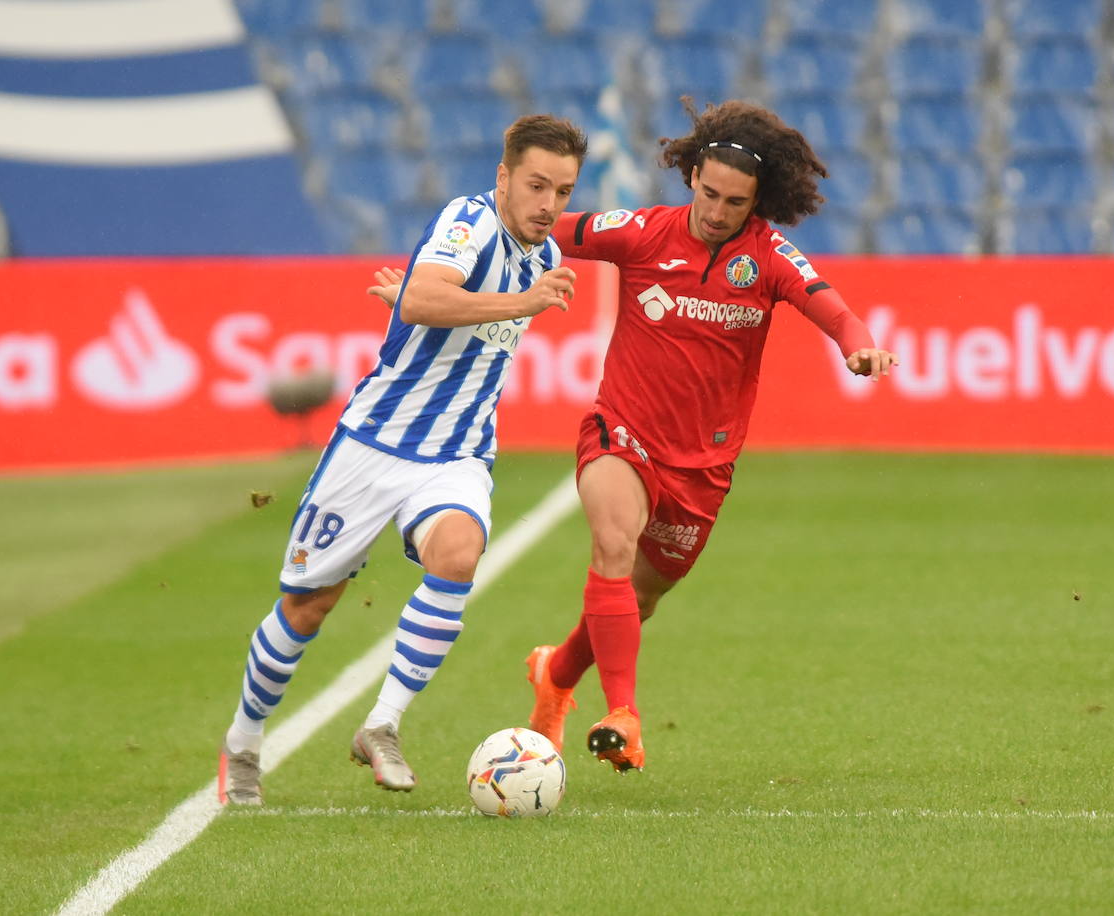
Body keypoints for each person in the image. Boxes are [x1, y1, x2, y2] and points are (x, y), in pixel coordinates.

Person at [216, 114, 588, 805]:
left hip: (458, 451)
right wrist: (448, 299)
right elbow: (426, 298)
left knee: (459, 553)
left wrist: (414, 301)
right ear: (504, 178)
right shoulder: (469, 221)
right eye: (537, 185)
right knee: (308, 606)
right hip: (375, 443)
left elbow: (434, 309)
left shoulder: (544, 259)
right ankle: (242, 741)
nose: (549, 205)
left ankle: (381, 724)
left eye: (563, 192)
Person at [522, 98, 897, 773]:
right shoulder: (640, 232)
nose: (718, 211)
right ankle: (623, 715)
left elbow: (838, 313)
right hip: (622, 429)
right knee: (612, 543)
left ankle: (556, 674)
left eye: (736, 202)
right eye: (710, 192)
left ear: (760, 200)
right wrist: (473, 244)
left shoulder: (770, 258)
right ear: (691, 175)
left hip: (703, 467)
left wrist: (860, 348)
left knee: (639, 598)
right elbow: (547, 229)